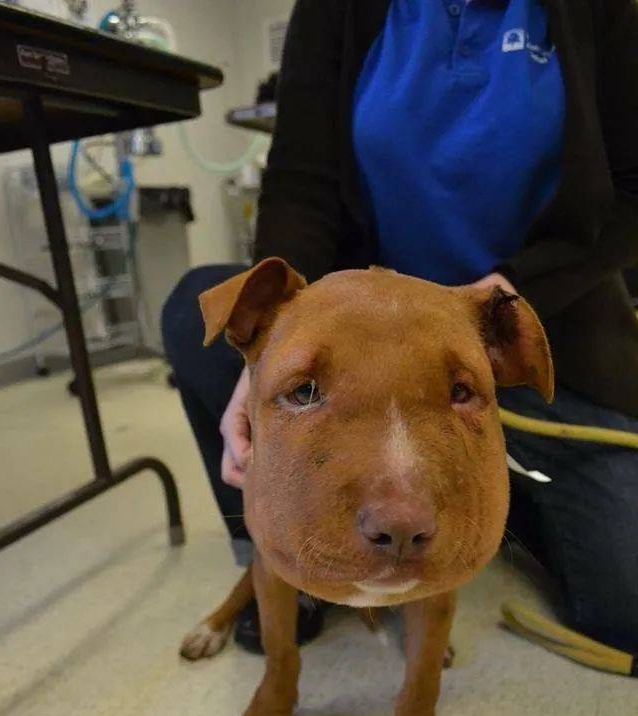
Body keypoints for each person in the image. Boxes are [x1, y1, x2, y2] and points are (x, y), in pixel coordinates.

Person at [163, 0, 638, 658]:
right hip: (366, 327)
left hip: (541, 321)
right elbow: (301, 181)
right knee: (189, 310)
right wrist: (274, 360)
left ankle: (495, 496)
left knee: (626, 604)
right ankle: (282, 552)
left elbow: (631, 194)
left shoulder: (605, 10)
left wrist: (511, 291)